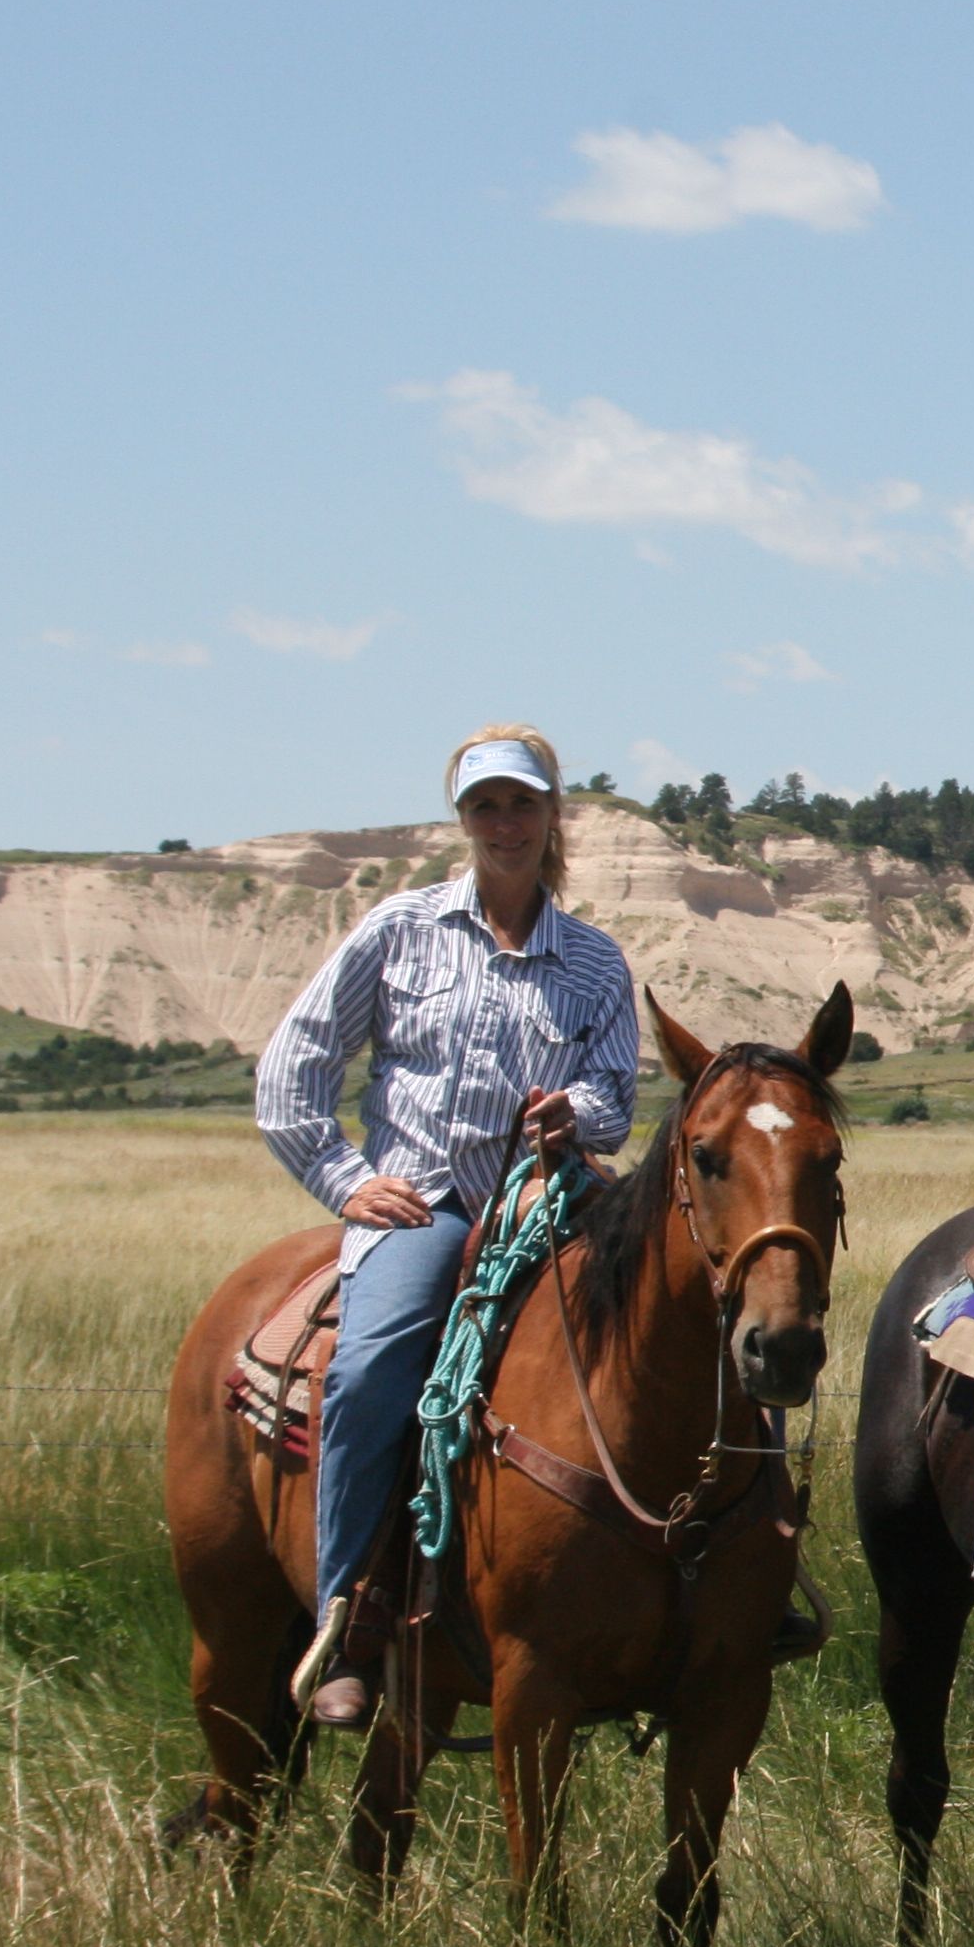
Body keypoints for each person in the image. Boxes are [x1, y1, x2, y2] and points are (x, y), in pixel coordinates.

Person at [257, 726, 637, 1733]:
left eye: (522, 805)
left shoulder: (596, 962)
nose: (505, 824)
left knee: (682, 1308)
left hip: (550, 1199)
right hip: (426, 1201)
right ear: (462, 821)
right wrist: (346, 1180)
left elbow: (615, 1093)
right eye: (485, 808)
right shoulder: (399, 931)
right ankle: (349, 1615)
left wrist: (579, 1118)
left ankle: (740, 1573)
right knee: (375, 1360)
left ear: (554, 815)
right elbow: (291, 1073)